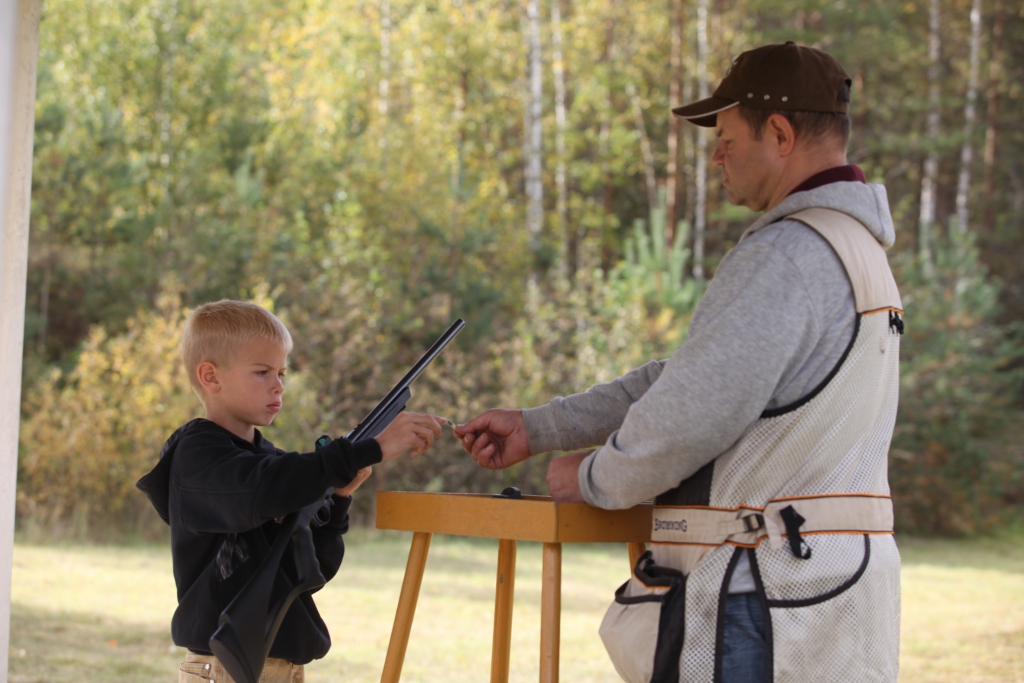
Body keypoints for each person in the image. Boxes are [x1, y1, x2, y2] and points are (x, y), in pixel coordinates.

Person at [456, 42, 902, 682]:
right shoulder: (856, 252)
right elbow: (687, 376)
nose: (717, 156)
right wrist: (541, 426)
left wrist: (592, 477)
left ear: (780, 135)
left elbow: (687, 416)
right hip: (832, 592)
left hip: (763, 598)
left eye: (726, 138)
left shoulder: (786, 254)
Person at [137, 300, 446, 683]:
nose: (278, 385)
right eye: (262, 372)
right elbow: (264, 487)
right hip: (225, 670)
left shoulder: (270, 464)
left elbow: (309, 572)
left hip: (282, 668)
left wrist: (337, 501)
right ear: (211, 377)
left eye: (282, 372)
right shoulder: (198, 456)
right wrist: (369, 449)